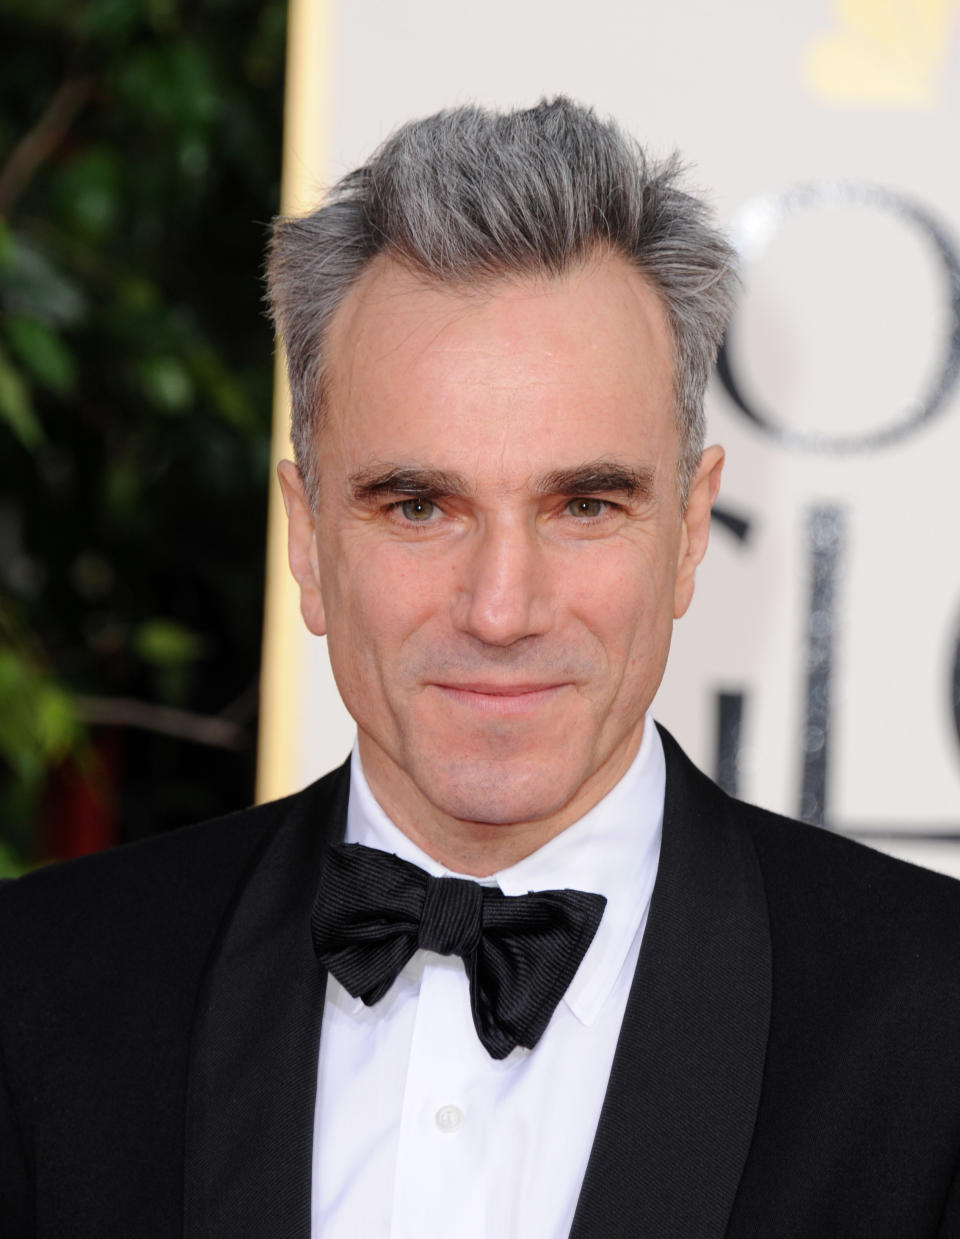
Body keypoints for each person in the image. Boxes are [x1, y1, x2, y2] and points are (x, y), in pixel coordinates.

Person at [1, 98, 959, 1239]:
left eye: (586, 504)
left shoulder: (935, 1022)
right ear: (307, 541)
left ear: (691, 531)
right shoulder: (39, 995)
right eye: (418, 505)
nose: (502, 610)